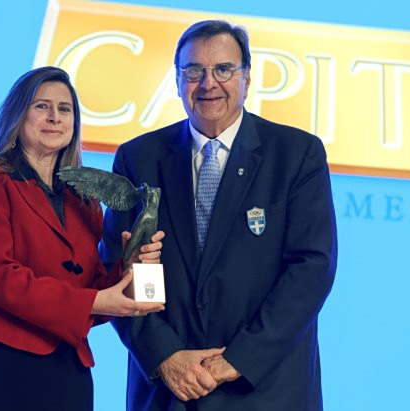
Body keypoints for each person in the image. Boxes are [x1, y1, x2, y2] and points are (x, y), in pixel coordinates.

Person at [100, 20, 338, 411]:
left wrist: (239, 359)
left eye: (223, 69)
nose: (208, 83)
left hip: (265, 390)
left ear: (247, 78)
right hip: (170, 392)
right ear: (178, 81)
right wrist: (164, 355)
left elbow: (311, 269)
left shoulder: (296, 154)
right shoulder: (138, 157)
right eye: (194, 71)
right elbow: (116, 266)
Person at [0, 66, 165, 411]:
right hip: (0, 362)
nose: (54, 117)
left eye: (64, 109)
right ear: (18, 115)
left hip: (68, 366)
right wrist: (95, 302)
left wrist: (129, 268)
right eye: (42, 106)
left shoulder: (84, 200)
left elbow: (90, 286)